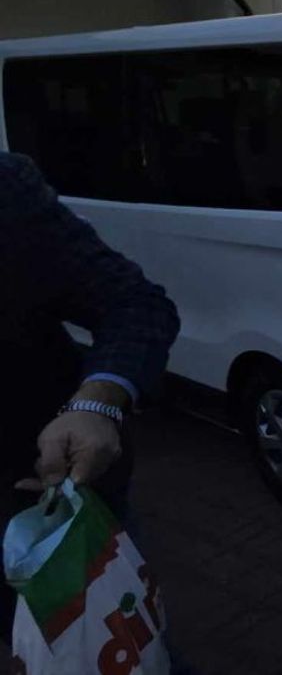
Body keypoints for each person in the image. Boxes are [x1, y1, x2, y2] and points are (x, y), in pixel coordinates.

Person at [0, 152, 181, 629]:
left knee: (122, 648)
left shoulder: (5, 192)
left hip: (48, 505)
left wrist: (96, 404)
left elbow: (133, 303)